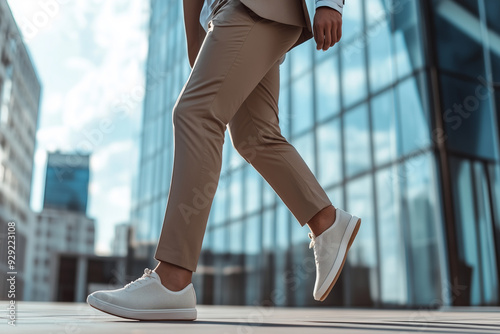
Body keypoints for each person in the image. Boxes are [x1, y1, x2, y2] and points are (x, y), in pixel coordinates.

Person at [87, 0, 361, 321]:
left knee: (196, 115)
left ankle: (173, 279)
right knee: (255, 136)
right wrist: (201, 41)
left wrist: (330, 3)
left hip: (254, 8)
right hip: (229, 15)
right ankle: (324, 221)